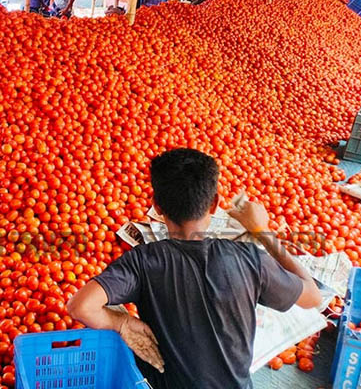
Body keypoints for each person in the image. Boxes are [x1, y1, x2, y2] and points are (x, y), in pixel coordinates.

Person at [67, 148, 322, 389]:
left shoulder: (142, 260)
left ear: (156, 207)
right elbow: (314, 298)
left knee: (121, 343)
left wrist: (122, 323)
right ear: (214, 204)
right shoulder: (249, 258)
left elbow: (81, 306)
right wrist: (263, 233)